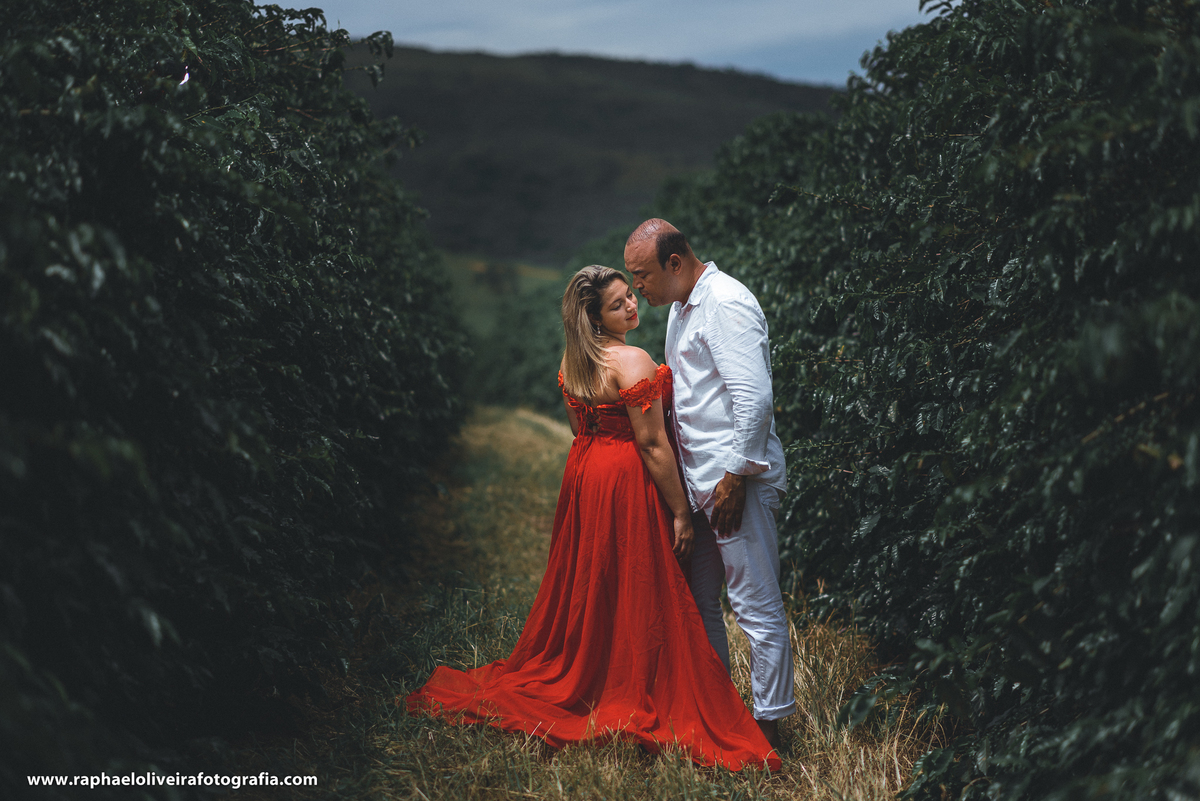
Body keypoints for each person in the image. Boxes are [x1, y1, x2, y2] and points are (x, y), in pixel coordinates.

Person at [406, 265, 781, 771]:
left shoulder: (572, 360)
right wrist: (680, 513)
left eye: (631, 295)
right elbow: (650, 443)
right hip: (627, 475)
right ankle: (640, 685)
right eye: (618, 304)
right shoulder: (633, 359)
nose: (631, 307)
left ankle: (599, 674)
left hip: (586, 474)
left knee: (598, 578)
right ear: (595, 318)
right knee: (637, 579)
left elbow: (579, 431)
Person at [624, 219, 795, 751]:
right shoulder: (680, 308)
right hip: (700, 487)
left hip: (733, 484)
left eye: (642, 275)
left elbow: (755, 399)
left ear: (674, 262)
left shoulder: (725, 303)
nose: (637, 290)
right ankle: (718, 711)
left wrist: (736, 476)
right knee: (700, 603)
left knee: (755, 605)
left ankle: (771, 728)